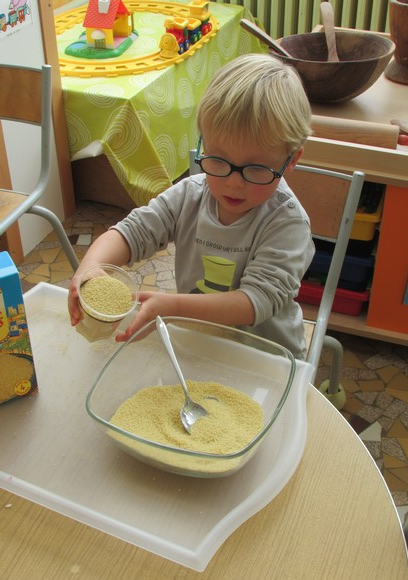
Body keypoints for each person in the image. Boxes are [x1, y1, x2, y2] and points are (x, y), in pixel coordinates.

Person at [68, 53, 315, 358]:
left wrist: (173, 307)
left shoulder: (286, 223)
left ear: (291, 161)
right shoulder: (189, 195)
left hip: (265, 356)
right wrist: (92, 266)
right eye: (218, 160)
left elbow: (256, 302)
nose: (234, 183)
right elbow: (132, 232)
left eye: (256, 169)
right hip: (199, 343)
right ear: (204, 144)